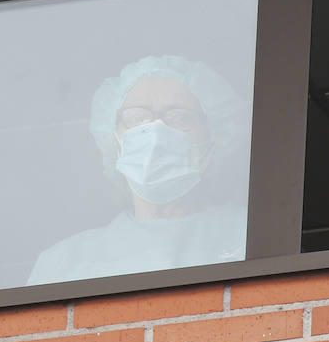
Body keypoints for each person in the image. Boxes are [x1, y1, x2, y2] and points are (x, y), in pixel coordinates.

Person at [27, 55, 246, 285]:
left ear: (213, 135)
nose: (155, 130)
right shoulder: (65, 263)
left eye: (179, 116)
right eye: (136, 118)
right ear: (114, 139)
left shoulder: (248, 237)